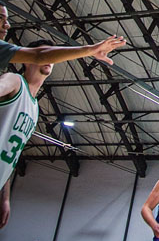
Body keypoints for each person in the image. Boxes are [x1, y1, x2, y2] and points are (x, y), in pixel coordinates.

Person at [0, 22, 125, 229]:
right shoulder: (14, 81)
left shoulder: (34, 107)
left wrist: (5, 198)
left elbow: (9, 157)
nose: (49, 61)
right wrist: (90, 49)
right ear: (28, 60)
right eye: (47, 56)